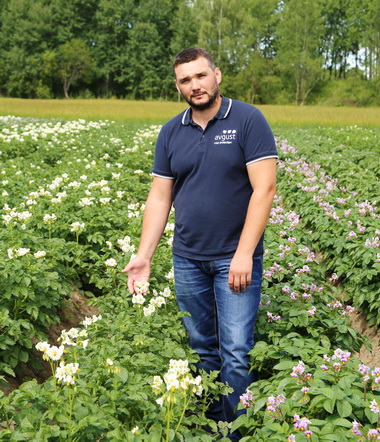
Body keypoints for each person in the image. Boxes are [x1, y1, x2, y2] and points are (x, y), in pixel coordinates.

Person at [122, 47, 277, 440]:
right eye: (185, 80)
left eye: (200, 76)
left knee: (237, 354)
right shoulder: (172, 131)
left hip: (234, 259)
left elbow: (265, 188)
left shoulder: (247, 119)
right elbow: (160, 198)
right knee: (202, 349)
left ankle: (235, 433)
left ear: (217, 75)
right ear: (178, 86)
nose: (195, 85)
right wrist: (144, 257)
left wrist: (244, 254)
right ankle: (210, 426)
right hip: (188, 258)